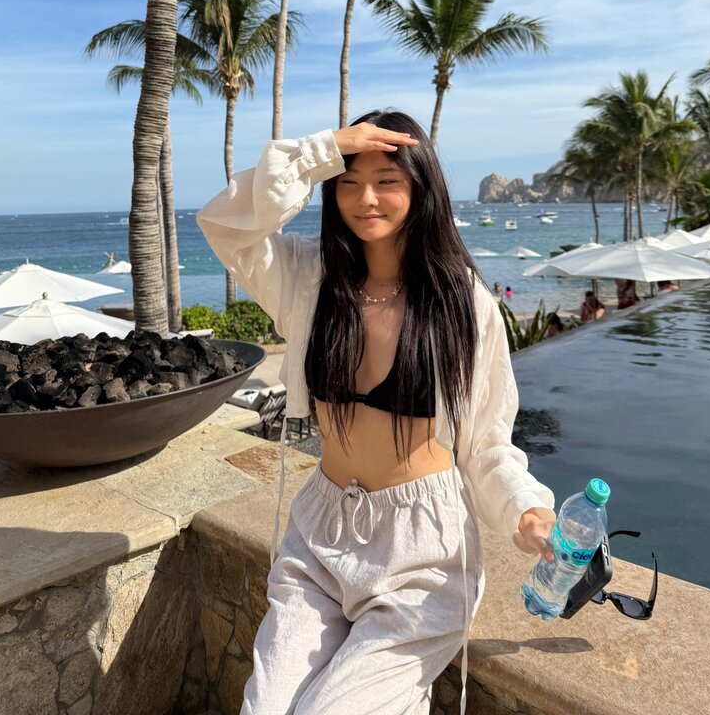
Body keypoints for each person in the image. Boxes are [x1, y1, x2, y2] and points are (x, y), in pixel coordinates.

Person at [197, 112, 556, 715]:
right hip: (321, 533)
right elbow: (224, 224)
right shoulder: (308, 279)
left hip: (424, 555)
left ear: (421, 189)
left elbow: (487, 442)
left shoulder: (462, 303)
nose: (366, 199)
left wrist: (527, 510)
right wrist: (322, 150)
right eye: (348, 182)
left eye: (387, 181)